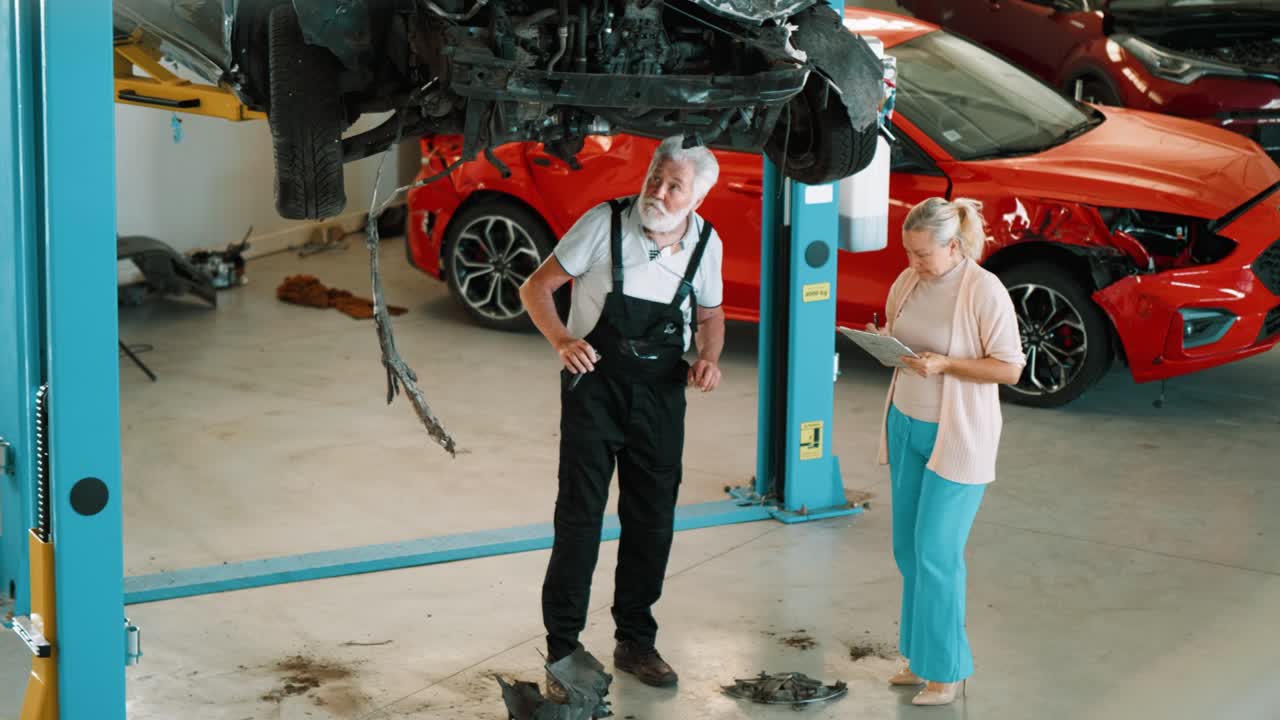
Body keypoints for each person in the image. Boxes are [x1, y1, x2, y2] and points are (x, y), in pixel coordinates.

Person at [518, 135, 726, 701]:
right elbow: (537, 287)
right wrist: (561, 339)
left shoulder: (708, 244)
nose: (658, 191)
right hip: (595, 389)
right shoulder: (603, 225)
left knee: (652, 520)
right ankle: (563, 647)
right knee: (580, 517)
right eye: (655, 177)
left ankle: (635, 639)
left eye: (674, 185)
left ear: (697, 198)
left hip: (660, 396)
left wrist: (708, 359)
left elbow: (710, 317)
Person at [866, 197, 1025, 706]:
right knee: (909, 551)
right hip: (906, 424)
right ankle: (919, 658)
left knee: (937, 552)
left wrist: (947, 366)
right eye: (909, 252)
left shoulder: (983, 291)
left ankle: (948, 670)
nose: (914, 263)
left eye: (923, 254)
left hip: (957, 436)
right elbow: (903, 338)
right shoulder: (908, 281)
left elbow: (1009, 368)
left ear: (953, 246)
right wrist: (883, 342)